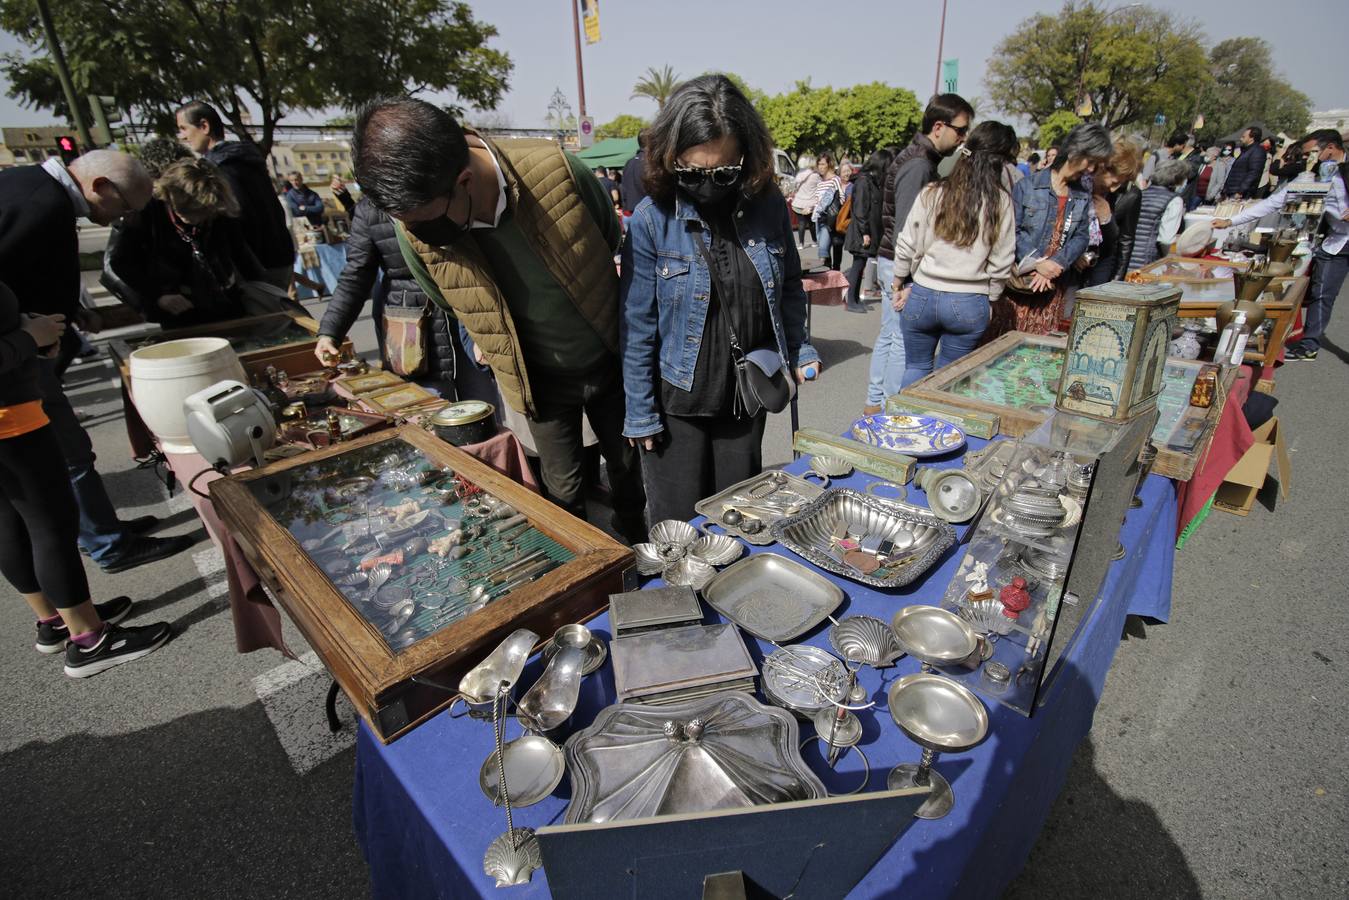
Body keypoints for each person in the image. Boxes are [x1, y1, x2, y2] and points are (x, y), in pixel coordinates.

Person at [351, 97, 647, 542]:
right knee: (561, 487)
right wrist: (483, 333)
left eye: (425, 223)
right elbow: (447, 298)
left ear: (465, 180)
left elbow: (607, 238)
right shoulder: (417, 221)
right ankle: (588, 565)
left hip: (608, 356)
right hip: (537, 379)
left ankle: (635, 540)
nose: (417, 235)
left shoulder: (558, 173)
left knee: (627, 469)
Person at [619, 75, 820, 524]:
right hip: (676, 403)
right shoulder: (653, 219)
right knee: (679, 528)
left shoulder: (768, 206)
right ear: (670, 157)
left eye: (723, 173)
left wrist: (800, 348)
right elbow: (637, 326)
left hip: (746, 395)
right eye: (692, 173)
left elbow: (789, 285)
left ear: (745, 157)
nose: (708, 185)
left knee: (737, 522)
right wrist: (640, 412)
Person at [0, 150, 194, 573]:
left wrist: (68, 315)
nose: (123, 218)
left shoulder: (38, 193)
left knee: (72, 454)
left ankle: (103, 529)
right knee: (71, 456)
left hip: (30, 351)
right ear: (100, 186)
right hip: (17, 365)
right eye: (124, 207)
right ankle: (108, 544)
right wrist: (25, 329)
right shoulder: (40, 204)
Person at [0, 281, 174, 675]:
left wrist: (25, 329)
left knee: (12, 523)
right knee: (50, 527)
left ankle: (55, 618)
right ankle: (89, 639)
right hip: (11, 422)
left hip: (11, 415)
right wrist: (28, 338)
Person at [314, 191, 498, 407]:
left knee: (484, 409)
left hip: (466, 314)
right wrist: (330, 332)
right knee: (431, 413)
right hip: (414, 334)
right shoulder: (369, 211)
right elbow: (355, 276)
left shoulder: (443, 188)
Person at [865, 92, 974, 413]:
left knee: (890, 336)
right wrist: (907, 278)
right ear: (939, 127)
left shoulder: (920, 160)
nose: (963, 138)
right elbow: (906, 230)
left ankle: (876, 404)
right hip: (900, 265)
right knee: (900, 341)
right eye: (960, 130)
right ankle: (887, 409)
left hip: (893, 262)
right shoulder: (918, 165)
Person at [893, 122, 1016, 386]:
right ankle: (941, 425)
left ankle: (905, 423)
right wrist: (992, 297)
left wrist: (898, 280)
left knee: (915, 368)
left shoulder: (933, 192)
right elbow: (1003, 260)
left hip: (924, 293)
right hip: (970, 300)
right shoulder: (1000, 201)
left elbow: (907, 241)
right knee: (950, 380)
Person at [1215, 129, 1348, 361]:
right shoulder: (1311, 177)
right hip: (1336, 243)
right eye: (1306, 155)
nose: (1308, 159)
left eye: (1313, 153)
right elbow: (1274, 202)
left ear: (1331, 148)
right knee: (1322, 292)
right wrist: (1231, 220)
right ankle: (1309, 344)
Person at [102, 158, 262, 327]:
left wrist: (260, 289)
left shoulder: (217, 209)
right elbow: (121, 261)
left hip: (224, 300)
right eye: (189, 211)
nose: (197, 218)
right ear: (169, 198)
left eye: (204, 213)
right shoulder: (147, 212)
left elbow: (240, 252)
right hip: (178, 308)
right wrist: (158, 295)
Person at [986, 123, 1111, 339]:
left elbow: (1081, 236)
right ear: (1075, 150)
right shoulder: (1028, 186)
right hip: (1021, 284)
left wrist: (1056, 264)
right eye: (1090, 161)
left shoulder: (1082, 194)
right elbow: (1011, 231)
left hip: (1053, 286)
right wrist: (1038, 263)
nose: (1090, 169)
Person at [176, 101, 294, 287]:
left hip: (256, 264)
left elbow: (237, 216)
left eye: (184, 128)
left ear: (204, 126)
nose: (182, 136)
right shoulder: (247, 158)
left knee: (266, 313)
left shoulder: (219, 167)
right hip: (279, 255)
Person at [1085, 139, 1143, 286]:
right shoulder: (1083, 182)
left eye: (1120, 184)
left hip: (1102, 262)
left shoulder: (1131, 195)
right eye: (1113, 182)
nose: (1113, 189)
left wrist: (1116, 282)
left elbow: (1125, 240)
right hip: (1074, 261)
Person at [842, 149, 892, 314]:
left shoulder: (869, 180)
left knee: (860, 265)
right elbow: (861, 209)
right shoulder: (864, 181)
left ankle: (855, 299)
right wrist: (865, 232)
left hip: (865, 231)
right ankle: (851, 300)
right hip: (861, 232)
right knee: (857, 266)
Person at [1125, 158, 1188, 272]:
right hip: (1148, 259)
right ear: (1178, 179)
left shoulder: (1140, 193)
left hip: (1126, 256)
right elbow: (1166, 239)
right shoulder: (1174, 200)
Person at [810, 153, 843, 270]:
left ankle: (833, 271)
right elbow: (817, 201)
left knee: (823, 249)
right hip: (819, 218)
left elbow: (841, 197)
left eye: (823, 164)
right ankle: (830, 275)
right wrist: (812, 207)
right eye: (819, 164)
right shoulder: (820, 183)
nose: (820, 167)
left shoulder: (835, 180)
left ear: (829, 165)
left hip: (831, 219)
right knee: (825, 249)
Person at [1222, 126, 1267, 199]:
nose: (1240, 139)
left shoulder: (1257, 151)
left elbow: (1253, 173)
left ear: (1251, 138)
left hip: (1241, 193)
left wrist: (1241, 191)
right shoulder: (1246, 150)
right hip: (1231, 190)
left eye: (1243, 137)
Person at [791, 155, 820, 249]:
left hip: (798, 203)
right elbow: (819, 188)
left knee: (801, 223)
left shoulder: (799, 174)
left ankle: (800, 244)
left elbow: (795, 186)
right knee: (811, 223)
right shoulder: (815, 175)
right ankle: (814, 241)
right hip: (810, 204)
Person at [619, 130, 649, 222]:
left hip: (628, 213)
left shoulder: (629, 163)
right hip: (645, 215)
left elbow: (623, 187)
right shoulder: (651, 163)